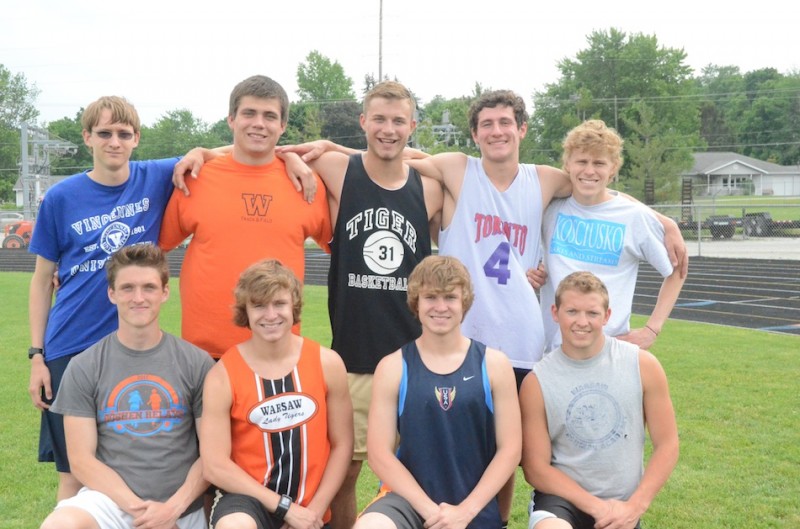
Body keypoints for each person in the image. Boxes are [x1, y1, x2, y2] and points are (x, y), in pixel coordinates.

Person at [27, 95, 223, 500]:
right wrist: (37, 356)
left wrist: (201, 151)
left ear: (136, 139)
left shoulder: (154, 176)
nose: (113, 142)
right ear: (87, 138)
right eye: (104, 133)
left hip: (135, 349)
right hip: (72, 345)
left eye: (123, 133)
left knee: (142, 457)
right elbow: (42, 279)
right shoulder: (62, 198)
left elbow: (222, 153)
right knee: (73, 473)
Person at [278, 80, 443, 529]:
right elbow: (257, 146)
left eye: (397, 121)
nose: (387, 130)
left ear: (412, 125)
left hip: (415, 360)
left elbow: (508, 181)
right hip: (353, 357)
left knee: (425, 476)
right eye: (379, 119)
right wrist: (293, 153)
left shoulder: (431, 186)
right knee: (344, 472)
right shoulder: (337, 169)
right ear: (363, 122)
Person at [39, 244, 214, 529]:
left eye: (149, 287)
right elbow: (81, 460)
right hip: (111, 503)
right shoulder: (86, 365)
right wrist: (140, 511)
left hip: (180, 507)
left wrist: (171, 509)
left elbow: (212, 454)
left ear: (165, 292)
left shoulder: (197, 363)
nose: (138, 298)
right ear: (112, 294)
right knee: (60, 525)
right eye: (127, 288)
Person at [158, 74, 332, 359]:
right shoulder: (196, 177)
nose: (259, 123)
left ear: (283, 125)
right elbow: (159, 249)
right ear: (231, 119)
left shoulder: (307, 184)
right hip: (203, 355)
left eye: (269, 116)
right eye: (249, 113)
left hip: (277, 352)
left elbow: (337, 249)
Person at [355, 255, 521, 529]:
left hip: (472, 504)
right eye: (431, 297)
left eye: (450, 297)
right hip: (407, 502)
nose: (440, 307)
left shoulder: (494, 364)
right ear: (416, 302)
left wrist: (464, 512)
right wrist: (434, 514)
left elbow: (510, 450)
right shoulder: (393, 366)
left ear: (464, 301)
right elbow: (379, 455)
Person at [200, 259, 353, 529]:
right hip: (248, 503)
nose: (270, 315)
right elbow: (214, 465)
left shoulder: (327, 363)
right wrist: (285, 510)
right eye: (259, 305)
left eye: (279, 304)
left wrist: (312, 513)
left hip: (310, 509)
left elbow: (342, 445)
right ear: (245, 311)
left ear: (293, 306)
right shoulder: (223, 374)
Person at [520, 271, 679, 529]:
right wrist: (598, 508)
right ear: (554, 312)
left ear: (606, 316)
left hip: (622, 504)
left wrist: (634, 507)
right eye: (572, 311)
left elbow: (668, 444)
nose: (581, 322)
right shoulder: (537, 381)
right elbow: (536, 468)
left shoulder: (642, 365)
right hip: (562, 500)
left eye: (592, 313)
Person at [540, 119, 686, 353]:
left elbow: (678, 270)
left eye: (599, 163)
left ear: (614, 168)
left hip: (613, 351)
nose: (589, 170)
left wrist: (652, 329)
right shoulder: (549, 209)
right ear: (567, 164)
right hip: (555, 353)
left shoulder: (633, 216)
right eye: (582, 161)